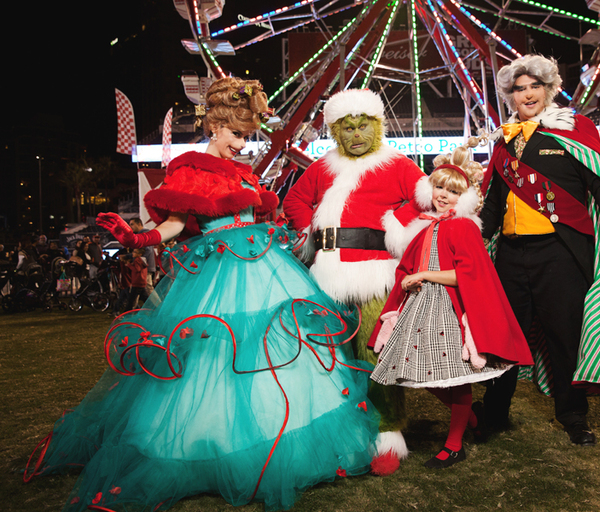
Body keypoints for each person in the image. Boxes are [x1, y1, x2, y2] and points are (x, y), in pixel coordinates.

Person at [25, 77, 379, 512]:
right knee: (217, 354)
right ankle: (214, 444)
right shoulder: (190, 169)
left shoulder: (244, 172)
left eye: (247, 137)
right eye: (236, 135)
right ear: (215, 127)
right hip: (220, 277)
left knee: (278, 349)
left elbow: (259, 214)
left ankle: (278, 441)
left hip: (265, 269)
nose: (242, 145)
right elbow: (175, 225)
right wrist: (138, 240)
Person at [478, 54, 600, 446]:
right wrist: (477, 241)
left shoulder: (574, 128)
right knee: (506, 338)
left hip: (559, 253)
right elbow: (493, 204)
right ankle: (494, 412)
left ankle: (573, 416)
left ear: (549, 90)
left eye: (534, 86)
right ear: (510, 96)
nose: (527, 94)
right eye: (518, 88)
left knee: (565, 337)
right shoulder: (504, 140)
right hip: (510, 256)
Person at [283, 88, 428, 474]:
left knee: (375, 355)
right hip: (326, 276)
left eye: (363, 126)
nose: (356, 135)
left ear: (377, 127)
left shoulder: (397, 164)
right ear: (335, 131)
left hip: (375, 276)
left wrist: (395, 225)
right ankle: (343, 432)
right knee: (331, 357)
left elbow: (425, 197)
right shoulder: (321, 167)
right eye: (347, 128)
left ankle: (387, 434)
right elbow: (294, 200)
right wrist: (306, 230)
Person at [369, 141, 533, 468]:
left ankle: (454, 443)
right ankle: (471, 418)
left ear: (465, 199)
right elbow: (409, 264)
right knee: (419, 375)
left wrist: (425, 274)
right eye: (439, 186)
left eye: (453, 192)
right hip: (419, 306)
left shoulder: (462, 226)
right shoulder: (426, 225)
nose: (444, 195)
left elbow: (468, 275)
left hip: (449, 307)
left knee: (456, 378)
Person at [129, 218, 157, 293]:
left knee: (148, 288)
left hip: (145, 268)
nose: (130, 226)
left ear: (139, 224)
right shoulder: (142, 235)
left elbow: (148, 250)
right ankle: (132, 305)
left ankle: (159, 305)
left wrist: (140, 262)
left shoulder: (143, 235)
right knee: (137, 289)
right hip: (144, 267)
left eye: (132, 224)